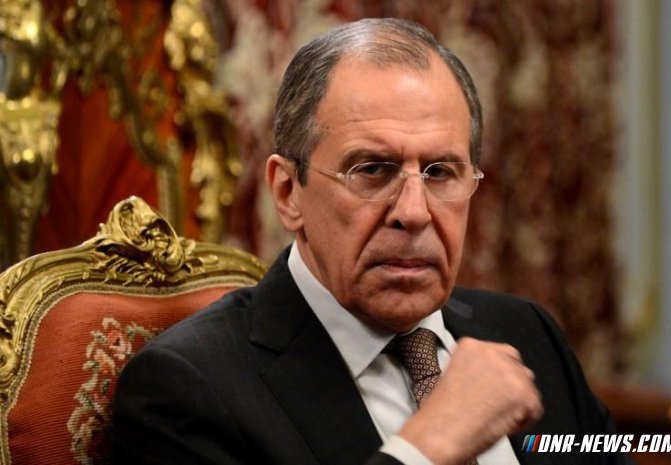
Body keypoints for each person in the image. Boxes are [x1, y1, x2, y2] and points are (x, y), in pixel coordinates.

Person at [112, 18, 633, 465]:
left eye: (440, 172)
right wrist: (429, 445)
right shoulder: (189, 389)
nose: (414, 213)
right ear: (288, 192)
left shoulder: (527, 333)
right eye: (372, 170)